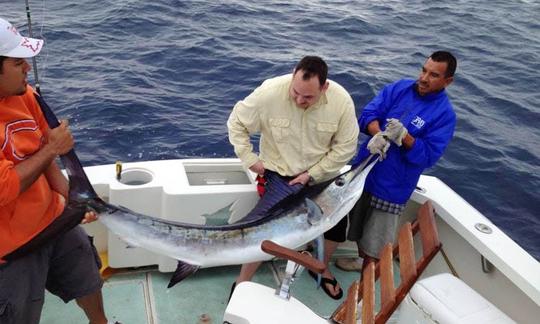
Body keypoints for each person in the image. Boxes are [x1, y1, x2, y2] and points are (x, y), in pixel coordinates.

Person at [0, 18, 115, 324]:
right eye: (17, 62)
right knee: (18, 313)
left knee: (87, 274)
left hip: (52, 219)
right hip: (10, 249)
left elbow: (44, 155)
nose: (27, 68)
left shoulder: (24, 96)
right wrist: (53, 148)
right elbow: (5, 188)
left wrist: (75, 199)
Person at [322, 51, 457, 297]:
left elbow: (427, 157)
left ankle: (361, 298)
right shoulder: (400, 88)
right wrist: (379, 134)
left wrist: (404, 137)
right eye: (424, 70)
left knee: (375, 247)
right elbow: (368, 115)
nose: (424, 78)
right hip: (362, 175)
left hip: (391, 189)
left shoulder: (445, 115)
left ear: (448, 81)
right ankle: (333, 265)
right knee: (341, 223)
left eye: (434, 75)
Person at [227, 56, 359, 299]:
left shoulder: (341, 101)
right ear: (293, 76)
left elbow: (346, 148)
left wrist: (312, 174)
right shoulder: (269, 93)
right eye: (295, 92)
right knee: (264, 230)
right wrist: (249, 158)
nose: (299, 100)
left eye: (308, 97)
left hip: (322, 177)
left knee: (336, 231)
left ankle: (320, 267)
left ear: (324, 87)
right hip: (280, 177)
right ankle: (242, 281)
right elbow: (236, 123)